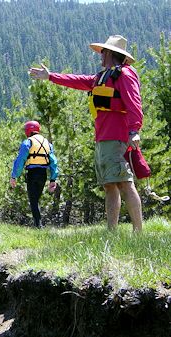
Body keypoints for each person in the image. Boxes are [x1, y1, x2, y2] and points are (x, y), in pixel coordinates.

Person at [29, 35, 143, 232]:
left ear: (111, 53)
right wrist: (50, 76)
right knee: (110, 185)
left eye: (103, 52)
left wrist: (134, 130)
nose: (100, 55)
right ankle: (112, 232)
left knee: (124, 183)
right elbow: (78, 81)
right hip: (103, 139)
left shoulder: (124, 74)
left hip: (117, 138)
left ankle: (138, 232)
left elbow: (134, 103)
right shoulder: (102, 77)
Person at [10, 121, 58, 228]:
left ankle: (38, 225)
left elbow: (20, 160)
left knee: (33, 200)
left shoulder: (28, 142)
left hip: (32, 174)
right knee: (36, 199)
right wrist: (53, 179)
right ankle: (38, 224)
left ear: (28, 131)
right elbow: (54, 162)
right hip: (43, 174)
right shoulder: (47, 144)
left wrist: (14, 176)